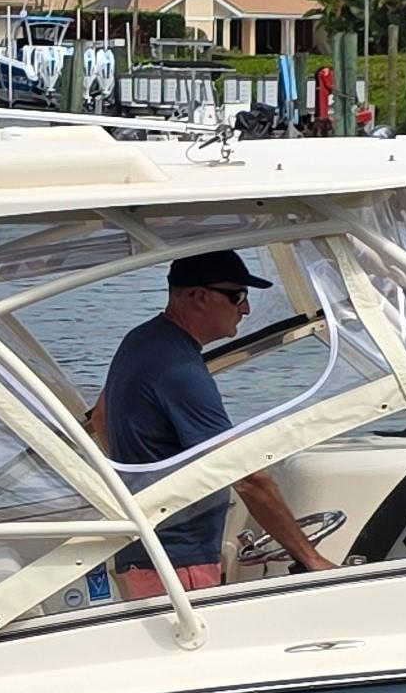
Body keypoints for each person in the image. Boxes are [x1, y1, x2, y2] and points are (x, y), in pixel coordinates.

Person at [94, 252, 340, 598]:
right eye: (237, 296)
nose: (246, 309)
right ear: (198, 296)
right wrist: (311, 558)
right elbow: (248, 477)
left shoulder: (142, 341)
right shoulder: (178, 368)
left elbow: (101, 417)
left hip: (145, 552)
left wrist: (141, 479)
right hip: (178, 562)